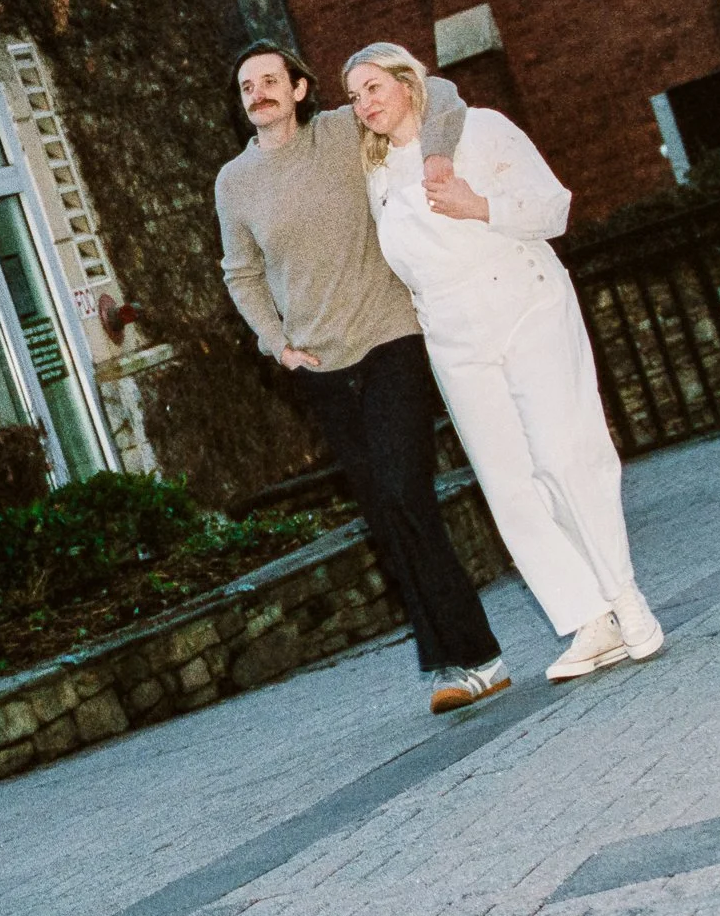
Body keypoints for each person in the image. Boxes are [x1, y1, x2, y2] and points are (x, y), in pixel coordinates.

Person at [340, 42, 663, 683]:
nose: (364, 105)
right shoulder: (376, 175)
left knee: (563, 451)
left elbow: (555, 208)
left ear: (409, 82)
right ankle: (585, 619)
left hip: (523, 301)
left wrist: (479, 206)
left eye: (374, 87)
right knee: (507, 481)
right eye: (354, 97)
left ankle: (625, 597)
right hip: (453, 335)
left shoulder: (480, 128)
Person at [215, 41, 510, 715]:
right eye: (245, 86)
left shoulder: (344, 131)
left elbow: (439, 93)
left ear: (298, 88)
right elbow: (240, 272)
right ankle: (454, 661)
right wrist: (277, 342)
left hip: (389, 338)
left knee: (407, 490)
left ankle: (475, 653)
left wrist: (436, 157)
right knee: (383, 511)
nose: (257, 92)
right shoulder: (234, 182)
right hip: (321, 367)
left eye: (269, 80)